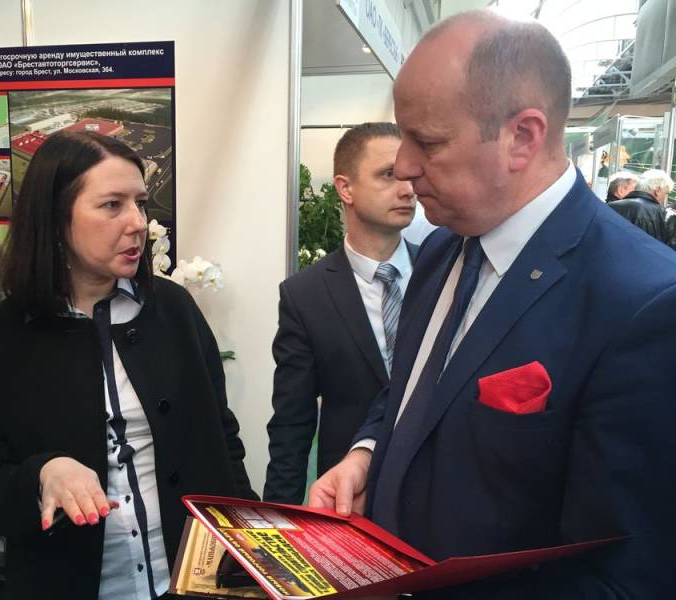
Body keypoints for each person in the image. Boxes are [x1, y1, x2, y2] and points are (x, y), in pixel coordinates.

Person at [309, 10, 676, 598]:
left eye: (428, 142)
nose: (404, 166)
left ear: (522, 137)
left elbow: (625, 574)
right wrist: (368, 454)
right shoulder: (441, 250)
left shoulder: (642, 304)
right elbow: (415, 388)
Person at [0, 131, 257, 600]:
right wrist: (43, 473)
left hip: (195, 578)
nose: (137, 222)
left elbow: (222, 437)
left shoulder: (174, 310)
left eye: (140, 203)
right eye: (112, 205)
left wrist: (250, 539)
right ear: (56, 218)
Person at [264, 123, 418, 504]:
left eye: (411, 174)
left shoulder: (444, 271)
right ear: (345, 188)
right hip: (349, 500)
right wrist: (279, 520)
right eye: (389, 175)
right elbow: (292, 424)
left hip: (434, 496)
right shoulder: (306, 295)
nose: (408, 189)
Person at [608, 168, 673, 245]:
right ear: (657, 190)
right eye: (665, 193)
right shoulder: (655, 211)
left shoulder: (611, 206)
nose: (664, 198)